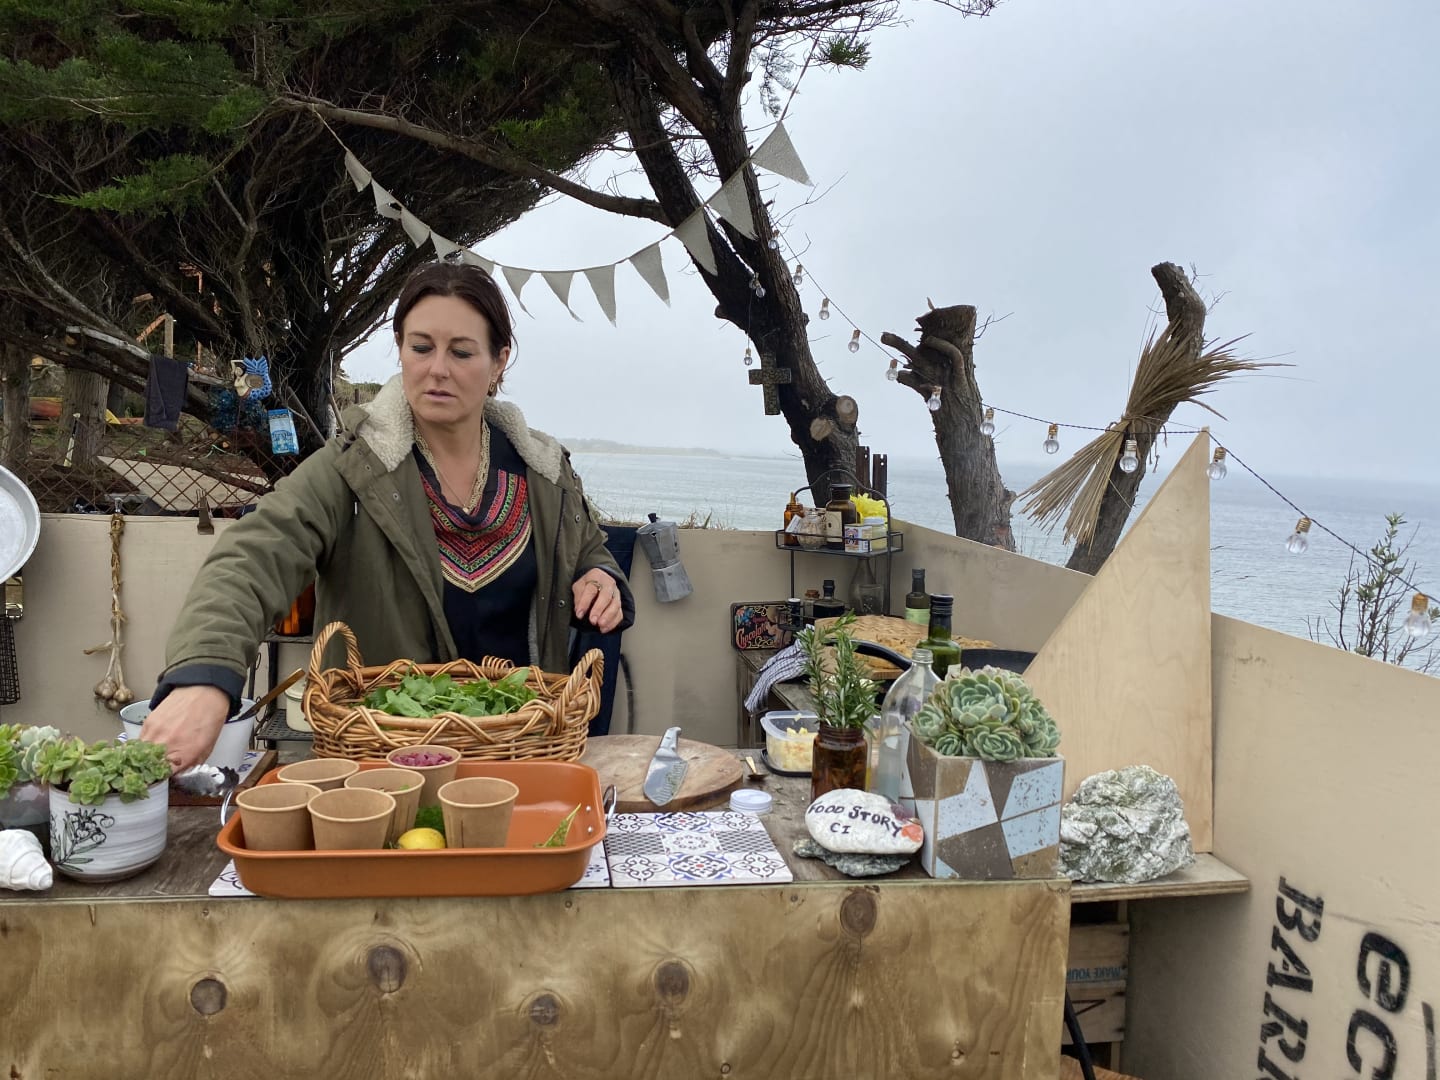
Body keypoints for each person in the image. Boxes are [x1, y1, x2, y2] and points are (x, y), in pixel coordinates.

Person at [140, 262, 635, 770]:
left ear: (499, 361)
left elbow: (587, 546)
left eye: (461, 352)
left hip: (521, 753)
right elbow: (253, 555)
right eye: (421, 347)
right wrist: (204, 675)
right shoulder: (352, 469)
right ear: (400, 349)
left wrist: (599, 573)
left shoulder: (545, 471)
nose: (437, 368)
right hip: (382, 766)